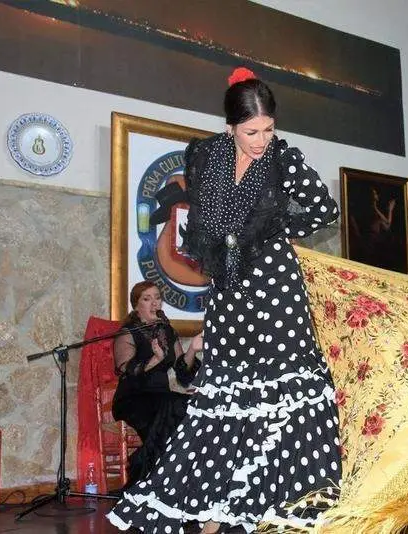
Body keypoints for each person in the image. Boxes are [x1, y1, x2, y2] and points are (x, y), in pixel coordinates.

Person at [107, 67, 342, 533]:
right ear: (230, 126)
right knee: (227, 390)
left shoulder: (282, 158)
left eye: (269, 129)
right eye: (252, 131)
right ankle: (220, 504)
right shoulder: (207, 158)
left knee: (280, 389)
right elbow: (205, 228)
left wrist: (272, 227)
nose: (262, 140)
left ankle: (266, 502)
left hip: (275, 287)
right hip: (230, 288)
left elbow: (324, 209)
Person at [111, 280, 203, 488]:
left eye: (157, 298)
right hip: (133, 397)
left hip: (161, 395)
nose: (155, 303)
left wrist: (192, 349)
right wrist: (155, 359)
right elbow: (127, 370)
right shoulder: (128, 332)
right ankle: (148, 477)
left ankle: (169, 478)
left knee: (185, 404)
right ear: (136, 305)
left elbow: (182, 371)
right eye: (147, 299)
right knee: (170, 406)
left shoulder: (167, 331)